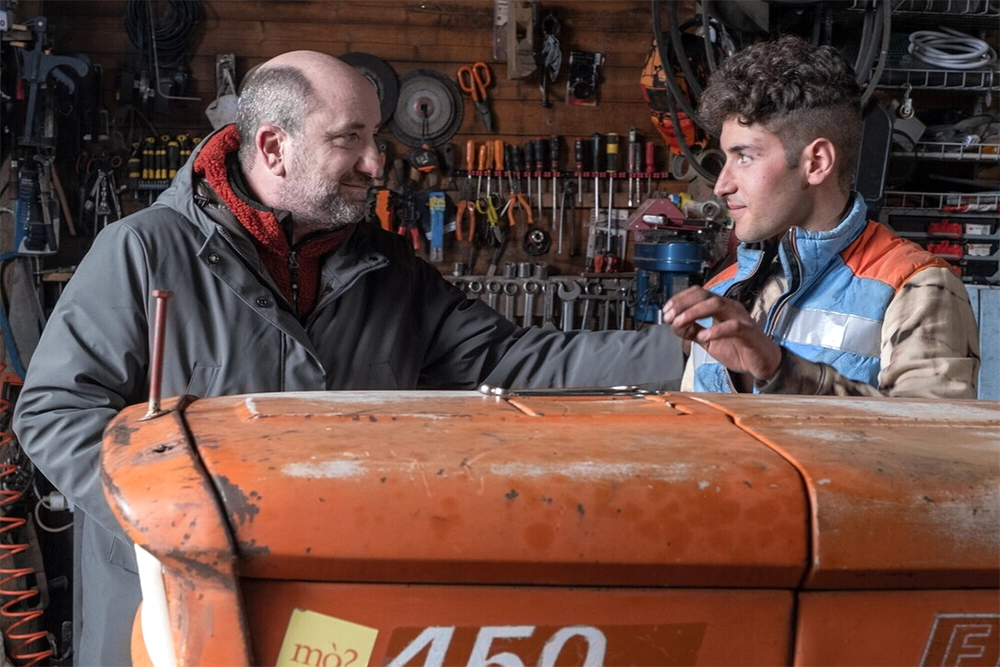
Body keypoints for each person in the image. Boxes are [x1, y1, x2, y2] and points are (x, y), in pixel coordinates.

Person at [12, 51, 684, 665]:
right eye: (349, 139)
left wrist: (681, 354)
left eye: (375, 138)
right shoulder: (143, 252)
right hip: (164, 612)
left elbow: (517, 360)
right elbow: (52, 412)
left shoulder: (386, 267)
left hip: (326, 614)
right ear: (274, 147)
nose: (375, 162)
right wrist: (176, 522)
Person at [662, 34, 980, 397]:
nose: (721, 185)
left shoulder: (915, 287)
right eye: (726, 158)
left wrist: (781, 371)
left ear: (816, 163)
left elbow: (931, 442)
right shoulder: (723, 291)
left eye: (745, 156)